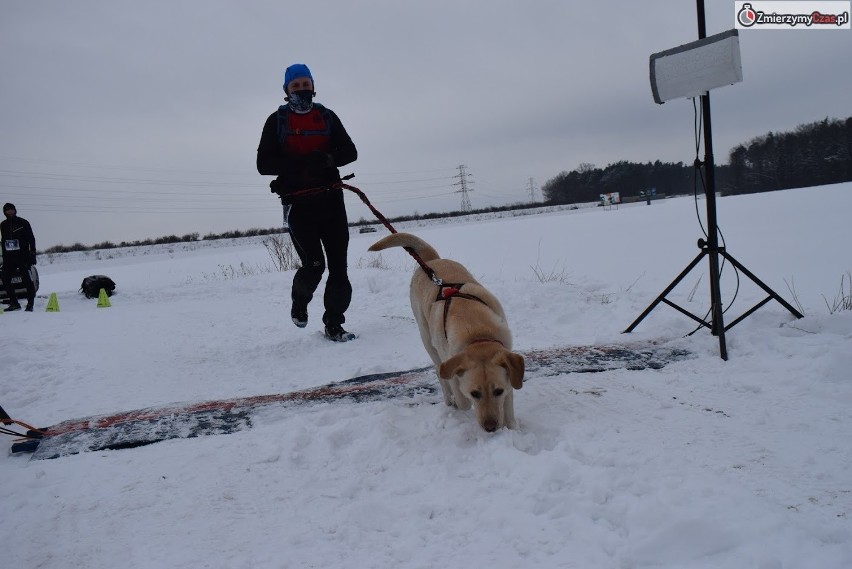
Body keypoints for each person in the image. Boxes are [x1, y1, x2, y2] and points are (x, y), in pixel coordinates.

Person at [256, 63, 358, 342]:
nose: (301, 89)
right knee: (314, 266)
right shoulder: (276, 121)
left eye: (305, 84)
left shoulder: (326, 117)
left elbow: (350, 151)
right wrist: (298, 164)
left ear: (312, 86)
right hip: (299, 206)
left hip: (331, 201)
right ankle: (299, 303)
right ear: (286, 90)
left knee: (339, 268)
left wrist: (327, 160)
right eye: (295, 85)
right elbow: (263, 164)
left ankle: (334, 324)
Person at [1, 203, 37, 312]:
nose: (10, 211)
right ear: (5, 212)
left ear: (15, 210)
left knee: (27, 280)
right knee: (5, 279)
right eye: (7, 210)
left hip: (23, 256)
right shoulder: (3, 224)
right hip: (9, 258)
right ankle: (14, 303)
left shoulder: (23, 222)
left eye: (11, 209)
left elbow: (31, 239)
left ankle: (30, 304)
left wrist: (32, 254)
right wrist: (4, 256)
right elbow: (4, 241)